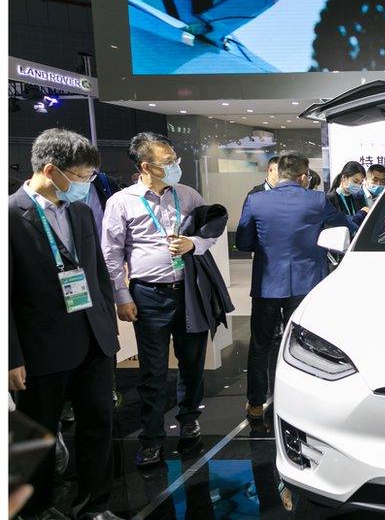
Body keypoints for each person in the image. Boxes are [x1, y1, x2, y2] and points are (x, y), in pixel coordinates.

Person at [9, 129, 122, 519]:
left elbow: (97, 274)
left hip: (93, 339)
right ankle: (34, 510)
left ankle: (95, 507)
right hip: (40, 347)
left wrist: (109, 328)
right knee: (34, 437)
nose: (86, 183)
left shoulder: (81, 210)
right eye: (82, 174)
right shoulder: (9, 215)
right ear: (52, 169)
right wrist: (11, 356)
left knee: (98, 428)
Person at [102, 132, 219, 467]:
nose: (175, 166)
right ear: (146, 166)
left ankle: (188, 420)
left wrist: (193, 244)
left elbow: (210, 231)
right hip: (148, 295)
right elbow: (111, 255)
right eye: (168, 162)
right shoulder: (122, 202)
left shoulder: (188, 194)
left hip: (190, 293)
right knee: (152, 371)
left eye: (175, 159)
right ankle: (151, 437)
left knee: (192, 361)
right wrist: (122, 297)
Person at [236, 155, 366, 421]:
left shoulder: (255, 200)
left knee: (260, 345)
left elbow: (243, 242)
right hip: (307, 284)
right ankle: (300, 403)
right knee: (306, 345)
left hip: (267, 285)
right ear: (303, 176)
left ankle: (256, 404)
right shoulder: (317, 200)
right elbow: (347, 226)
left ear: (279, 174)